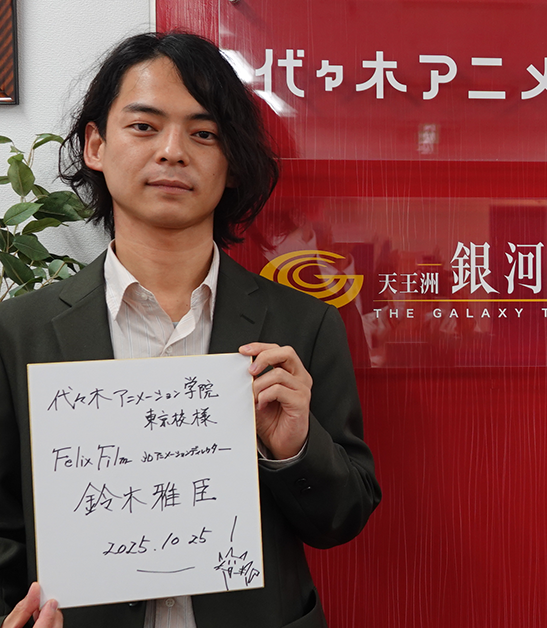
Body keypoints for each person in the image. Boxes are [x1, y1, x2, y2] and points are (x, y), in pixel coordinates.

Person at [0, 32, 382, 627]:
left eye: (204, 134)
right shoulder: (17, 332)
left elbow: (342, 518)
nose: (173, 152)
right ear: (96, 145)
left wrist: (293, 448)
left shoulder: (302, 324)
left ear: (231, 164)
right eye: (144, 127)